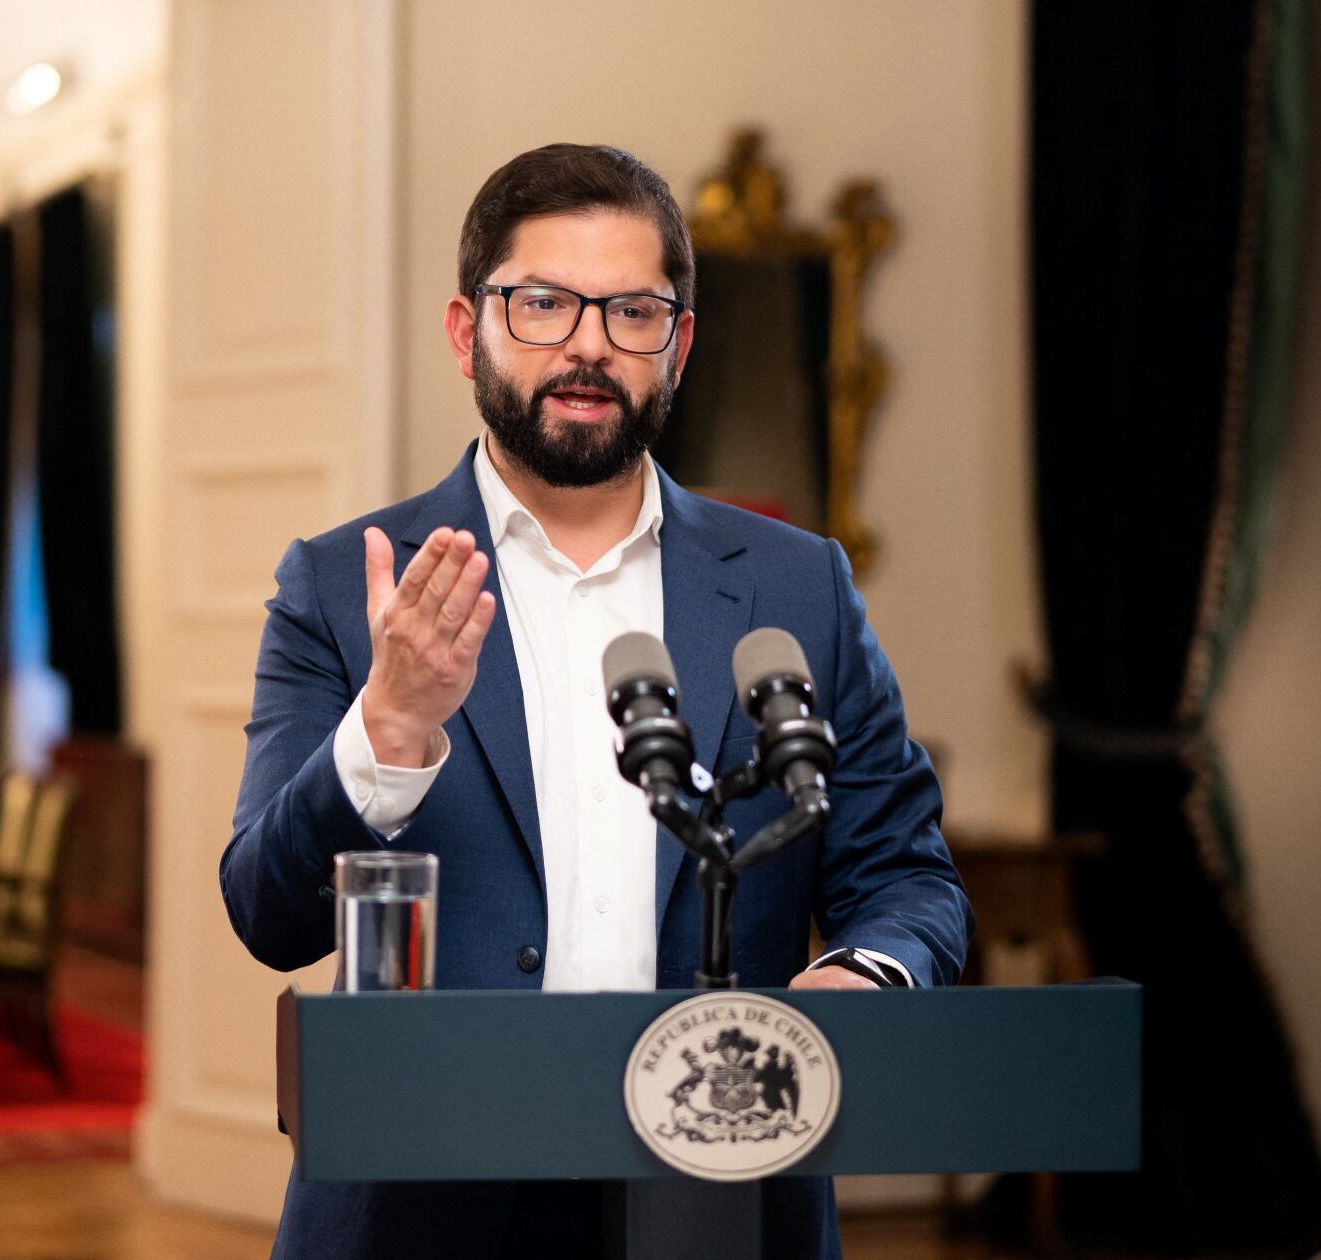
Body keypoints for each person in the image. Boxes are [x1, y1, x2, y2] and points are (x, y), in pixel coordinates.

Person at [221, 142, 972, 1260]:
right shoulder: (344, 586)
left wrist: (861, 972)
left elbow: (908, 879)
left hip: (724, 1189)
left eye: (631, 311)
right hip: (420, 1209)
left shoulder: (795, 586)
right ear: (465, 332)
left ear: (679, 343)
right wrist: (388, 730)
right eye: (542, 304)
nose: (586, 343)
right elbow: (265, 913)